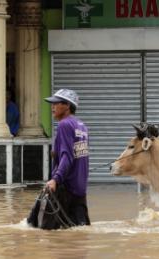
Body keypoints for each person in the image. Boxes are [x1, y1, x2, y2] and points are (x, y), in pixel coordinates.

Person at [44, 89, 90, 226]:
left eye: (56, 103)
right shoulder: (81, 126)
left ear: (67, 106)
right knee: (80, 231)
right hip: (80, 189)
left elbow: (67, 156)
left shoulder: (64, 125)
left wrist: (55, 179)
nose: (52, 107)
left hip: (66, 189)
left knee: (48, 233)